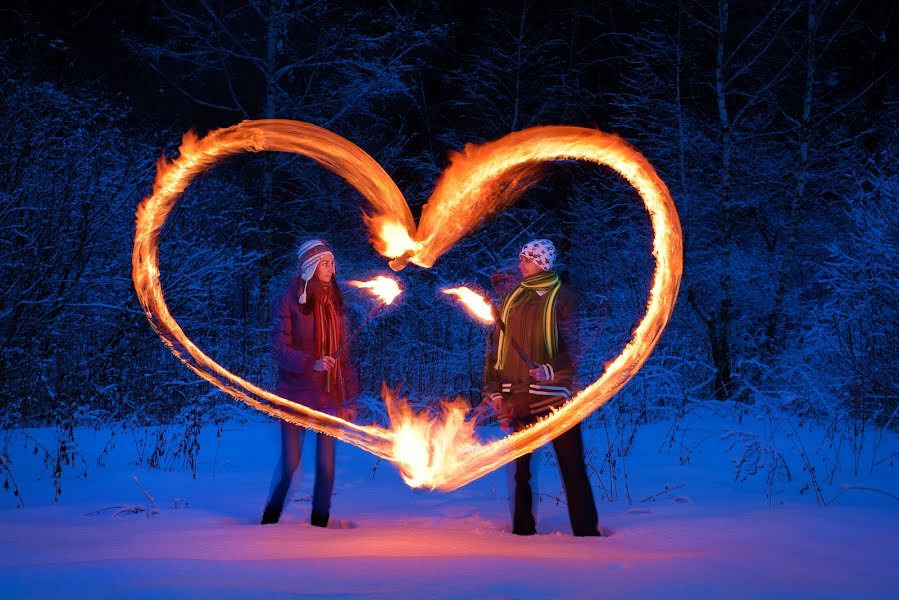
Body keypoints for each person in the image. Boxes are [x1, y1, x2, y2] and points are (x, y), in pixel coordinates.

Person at [483, 239, 600, 537]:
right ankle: (522, 533)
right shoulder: (511, 299)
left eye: (527, 260)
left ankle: (587, 533)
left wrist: (550, 368)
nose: (520, 264)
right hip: (517, 397)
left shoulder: (564, 297)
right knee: (521, 471)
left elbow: (577, 346)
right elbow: (495, 349)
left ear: (543, 263)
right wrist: (495, 390)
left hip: (555, 399)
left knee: (572, 465)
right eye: (521, 259)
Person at [261, 239, 358, 527]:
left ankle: (320, 527)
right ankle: (268, 522)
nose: (332, 268)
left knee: (326, 467)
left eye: (333, 262)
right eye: (326, 263)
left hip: (328, 397)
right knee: (291, 464)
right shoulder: (290, 299)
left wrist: (348, 399)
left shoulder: (335, 303)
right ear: (311, 267)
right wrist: (310, 363)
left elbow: (345, 356)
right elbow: (278, 347)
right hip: (295, 394)